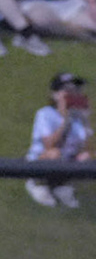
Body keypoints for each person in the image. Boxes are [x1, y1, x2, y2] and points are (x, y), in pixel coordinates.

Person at [23, 71, 90, 208]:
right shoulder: (45, 114)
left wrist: (86, 121)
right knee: (54, 153)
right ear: (55, 95)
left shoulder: (78, 117)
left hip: (65, 161)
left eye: (76, 90)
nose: (74, 94)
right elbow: (49, 145)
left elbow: (86, 148)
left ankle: (61, 187)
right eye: (68, 91)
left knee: (86, 157)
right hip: (40, 162)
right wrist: (66, 120)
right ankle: (38, 185)